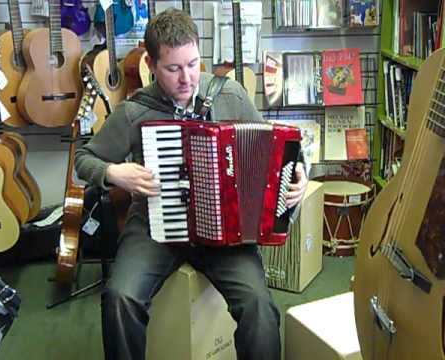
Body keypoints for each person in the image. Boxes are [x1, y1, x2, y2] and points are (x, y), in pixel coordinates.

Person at [75, 8, 308, 360]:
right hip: (155, 227)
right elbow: (84, 160)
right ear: (151, 65)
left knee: (259, 306)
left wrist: (299, 175)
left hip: (225, 233)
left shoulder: (229, 95)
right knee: (120, 297)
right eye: (173, 68)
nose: (187, 78)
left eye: (193, 64)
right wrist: (113, 173)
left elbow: (278, 151)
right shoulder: (135, 111)